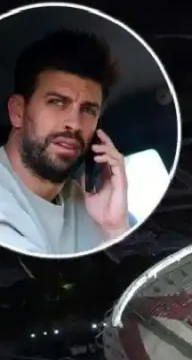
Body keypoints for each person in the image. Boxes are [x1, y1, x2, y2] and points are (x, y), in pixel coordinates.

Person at [0, 29, 130, 255]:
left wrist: (114, 228)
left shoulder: (93, 208)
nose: (75, 124)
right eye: (57, 102)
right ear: (18, 112)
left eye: (88, 110)